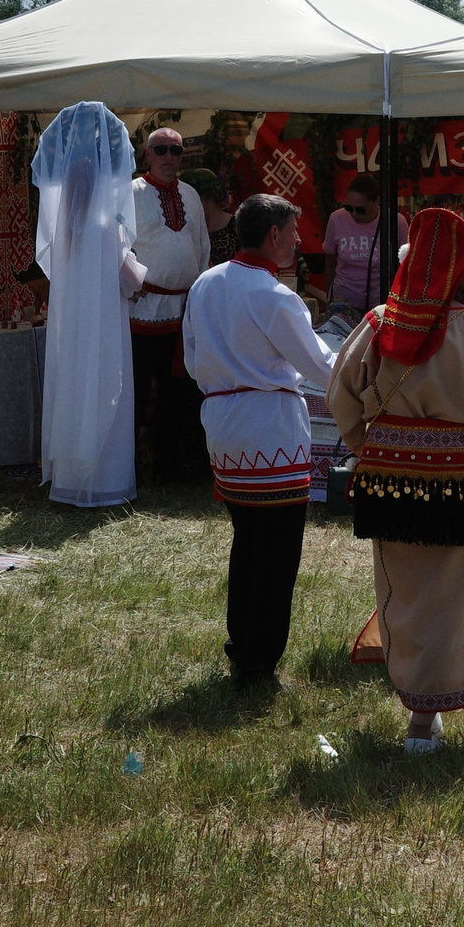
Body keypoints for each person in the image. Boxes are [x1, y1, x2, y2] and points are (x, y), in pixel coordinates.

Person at [329, 208, 464, 754]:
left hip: (387, 483)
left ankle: (418, 708)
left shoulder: (375, 323)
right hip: (463, 486)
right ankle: (428, 717)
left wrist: (368, 448)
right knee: (460, 593)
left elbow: (340, 398)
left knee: (402, 590)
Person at [184, 194, 336, 686]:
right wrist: (369, 359)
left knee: (248, 541)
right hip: (268, 426)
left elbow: (191, 359)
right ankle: (259, 661)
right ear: (273, 235)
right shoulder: (274, 296)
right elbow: (320, 365)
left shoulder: (206, 284)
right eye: (293, 232)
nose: (297, 240)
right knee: (276, 552)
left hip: (224, 425)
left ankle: (243, 646)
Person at [35, 103, 143, 509]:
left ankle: (70, 474)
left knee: (73, 386)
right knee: (105, 386)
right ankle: (104, 479)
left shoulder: (63, 234)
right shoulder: (106, 229)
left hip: (73, 328)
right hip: (104, 326)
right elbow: (128, 280)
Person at [128, 126, 212, 484]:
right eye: (160, 150)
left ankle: (169, 468)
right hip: (141, 312)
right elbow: (117, 246)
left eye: (175, 151)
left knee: (176, 393)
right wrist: (126, 282)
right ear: (148, 155)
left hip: (182, 313)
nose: (167, 158)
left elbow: (202, 246)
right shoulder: (130, 193)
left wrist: (201, 293)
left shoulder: (191, 195)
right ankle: (125, 468)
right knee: (133, 392)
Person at [322, 174, 406, 333]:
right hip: (343, 302)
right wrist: (329, 298)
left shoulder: (395, 222)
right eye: (348, 207)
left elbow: (404, 266)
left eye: (360, 209)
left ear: (376, 202)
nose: (353, 214)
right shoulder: (337, 219)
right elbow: (330, 261)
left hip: (379, 304)